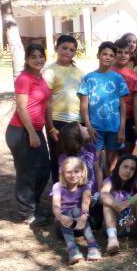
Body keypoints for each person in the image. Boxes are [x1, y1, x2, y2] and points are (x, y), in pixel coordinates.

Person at [6, 43, 52, 226]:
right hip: (21, 131)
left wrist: (50, 129)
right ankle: (26, 213)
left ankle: (33, 205)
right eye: (33, 57)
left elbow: (46, 105)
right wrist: (32, 133)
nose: (38, 60)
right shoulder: (24, 79)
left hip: (35, 131)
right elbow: (21, 107)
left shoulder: (40, 78)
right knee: (27, 173)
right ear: (26, 60)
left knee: (43, 170)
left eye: (41, 56)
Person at [78, 41, 130, 174]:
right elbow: (84, 105)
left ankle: (109, 185)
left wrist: (122, 128)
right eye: (104, 54)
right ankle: (96, 187)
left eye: (111, 55)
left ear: (114, 58)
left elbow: (123, 105)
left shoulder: (118, 78)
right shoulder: (88, 78)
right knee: (96, 158)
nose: (108, 57)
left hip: (114, 127)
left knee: (112, 158)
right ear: (98, 55)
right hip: (95, 128)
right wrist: (88, 126)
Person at [44, 35, 83, 183]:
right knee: (57, 158)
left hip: (76, 121)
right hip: (57, 121)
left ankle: (75, 194)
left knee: (75, 158)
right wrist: (51, 128)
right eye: (64, 48)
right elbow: (46, 102)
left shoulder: (79, 72)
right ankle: (58, 194)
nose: (68, 52)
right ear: (56, 48)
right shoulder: (49, 71)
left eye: (72, 50)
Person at [51, 157, 101, 264]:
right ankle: (72, 249)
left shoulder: (85, 187)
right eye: (69, 172)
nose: (73, 175)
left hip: (80, 225)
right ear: (63, 174)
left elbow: (85, 205)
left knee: (77, 211)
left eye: (76, 171)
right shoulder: (58, 186)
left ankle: (92, 246)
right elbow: (56, 207)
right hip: (62, 225)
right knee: (66, 212)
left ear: (83, 172)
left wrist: (83, 217)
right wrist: (61, 217)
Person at [100, 154, 137, 255]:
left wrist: (128, 202)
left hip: (131, 223)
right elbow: (103, 194)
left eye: (132, 169)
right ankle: (112, 239)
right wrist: (116, 204)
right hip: (116, 225)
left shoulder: (134, 181)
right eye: (125, 166)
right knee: (107, 203)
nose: (128, 171)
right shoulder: (110, 180)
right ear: (118, 166)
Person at [57, 122, 103, 229]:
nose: (86, 127)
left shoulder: (91, 148)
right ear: (75, 135)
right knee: (72, 224)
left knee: (96, 224)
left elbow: (98, 171)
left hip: (94, 196)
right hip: (76, 199)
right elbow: (65, 184)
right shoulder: (64, 158)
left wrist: (101, 192)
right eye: (82, 127)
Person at [112, 37, 137, 152]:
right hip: (113, 118)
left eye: (126, 53)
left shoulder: (134, 75)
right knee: (113, 152)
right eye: (119, 52)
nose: (123, 55)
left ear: (130, 55)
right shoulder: (109, 72)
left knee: (129, 149)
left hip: (130, 118)